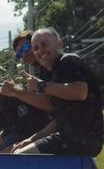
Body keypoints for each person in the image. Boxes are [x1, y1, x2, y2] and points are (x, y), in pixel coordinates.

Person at [11, 27, 103, 156]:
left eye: (44, 44)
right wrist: (31, 139)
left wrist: (40, 85)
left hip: (81, 138)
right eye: (36, 48)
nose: (40, 50)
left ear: (59, 43)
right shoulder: (52, 73)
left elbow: (80, 92)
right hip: (70, 137)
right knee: (18, 153)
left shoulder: (69, 61)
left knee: (20, 157)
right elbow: (58, 116)